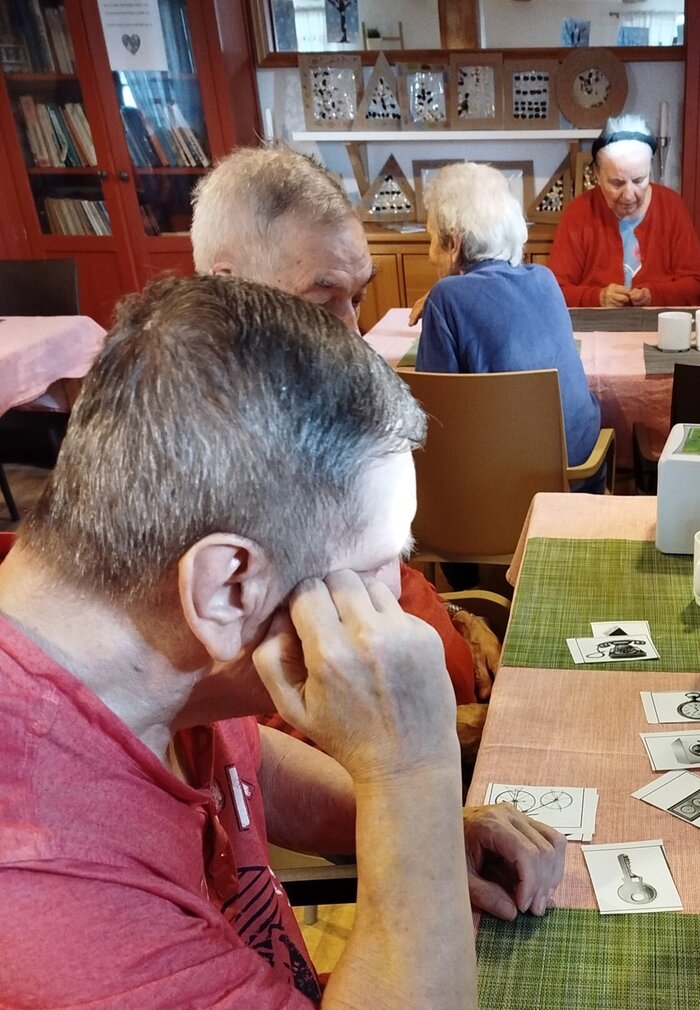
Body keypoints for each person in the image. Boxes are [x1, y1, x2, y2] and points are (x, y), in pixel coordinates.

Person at [0, 275, 565, 1010]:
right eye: (378, 574)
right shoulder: (28, 862)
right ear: (229, 588)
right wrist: (411, 769)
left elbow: (241, 752)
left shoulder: (92, 617)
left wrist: (409, 821)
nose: (397, 613)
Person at [191, 145, 500, 740]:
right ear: (230, 290)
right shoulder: (209, 453)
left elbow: (377, 567)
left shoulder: (311, 401)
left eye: (356, 298)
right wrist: (442, 735)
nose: (353, 336)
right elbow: (257, 721)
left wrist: (458, 618)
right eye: (322, 302)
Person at [410, 162, 602, 484]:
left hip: (502, 489)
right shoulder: (545, 279)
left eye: (430, 239)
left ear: (454, 243)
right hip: (580, 475)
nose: (430, 255)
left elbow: (432, 414)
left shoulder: (446, 298)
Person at [548, 114, 700, 309]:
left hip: (658, 323)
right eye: (617, 183)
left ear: (649, 171)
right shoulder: (579, 212)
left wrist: (653, 296)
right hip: (599, 325)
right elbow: (555, 290)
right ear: (597, 174)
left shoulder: (671, 206)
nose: (629, 195)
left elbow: (695, 285)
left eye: (639, 180)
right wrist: (597, 298)